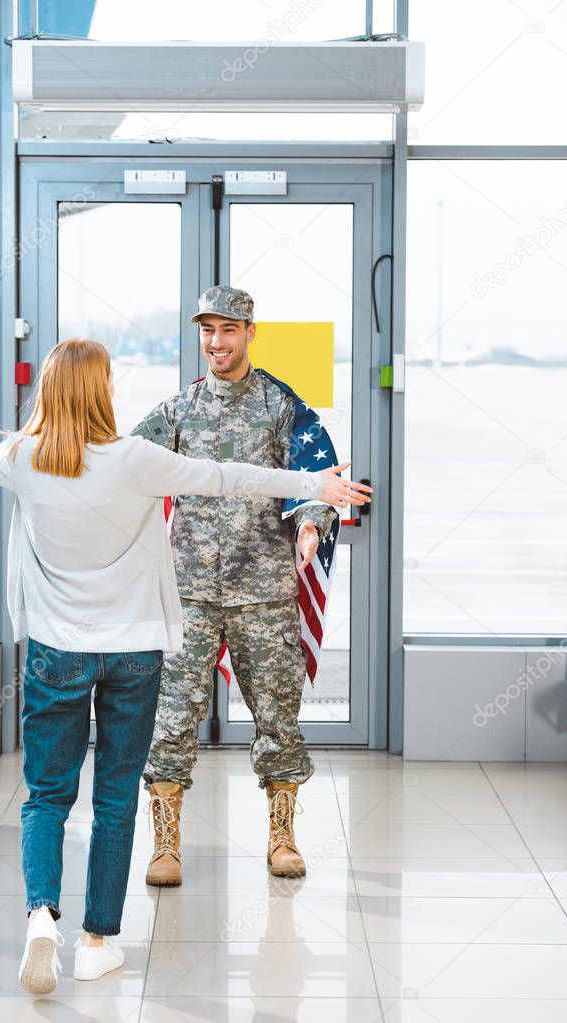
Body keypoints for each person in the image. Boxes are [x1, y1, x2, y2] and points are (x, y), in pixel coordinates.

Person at [0, 338, 358, 996]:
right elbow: (229, 476)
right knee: (112, 800)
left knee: (46, 796)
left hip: (56, 651)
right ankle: (97, 941)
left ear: (47, 393)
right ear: (102, 393)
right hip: (133, 651)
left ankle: (42, 918)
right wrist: (312, 485)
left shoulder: (21, 457)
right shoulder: (136, 460)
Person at [133, 287, 373, 885]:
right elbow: (123, 463)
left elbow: (318, 478)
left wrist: (314, 524)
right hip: (188, 590)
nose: (216, 342)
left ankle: (282, 836)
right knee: (171, 717)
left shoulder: (280, 406)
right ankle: (166, 845)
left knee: (278, 716)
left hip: (263, 590)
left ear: (250, 332)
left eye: (228, 330)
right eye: (207, 330)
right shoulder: (177, 411)